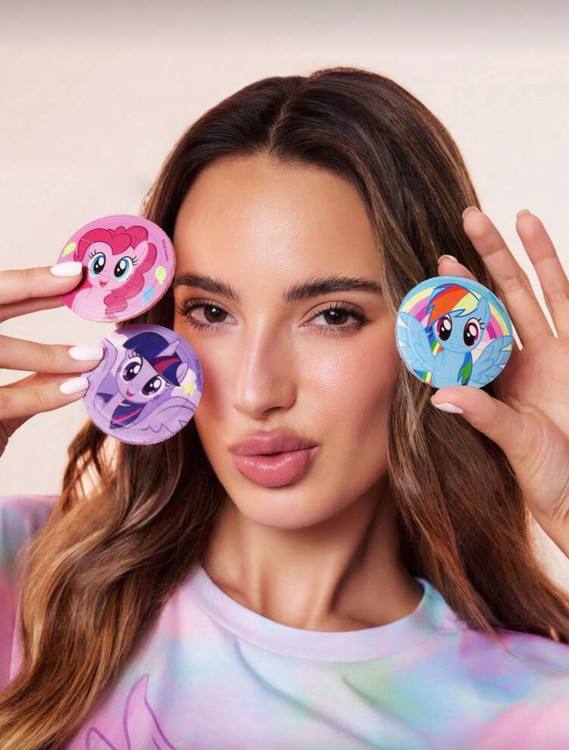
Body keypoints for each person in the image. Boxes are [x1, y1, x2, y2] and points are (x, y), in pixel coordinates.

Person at [0, 65, 568, 750]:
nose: (255, 392)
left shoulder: (533, 710)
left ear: (433, 338)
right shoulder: (30, 575)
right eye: (210, 312)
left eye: (332, 316)